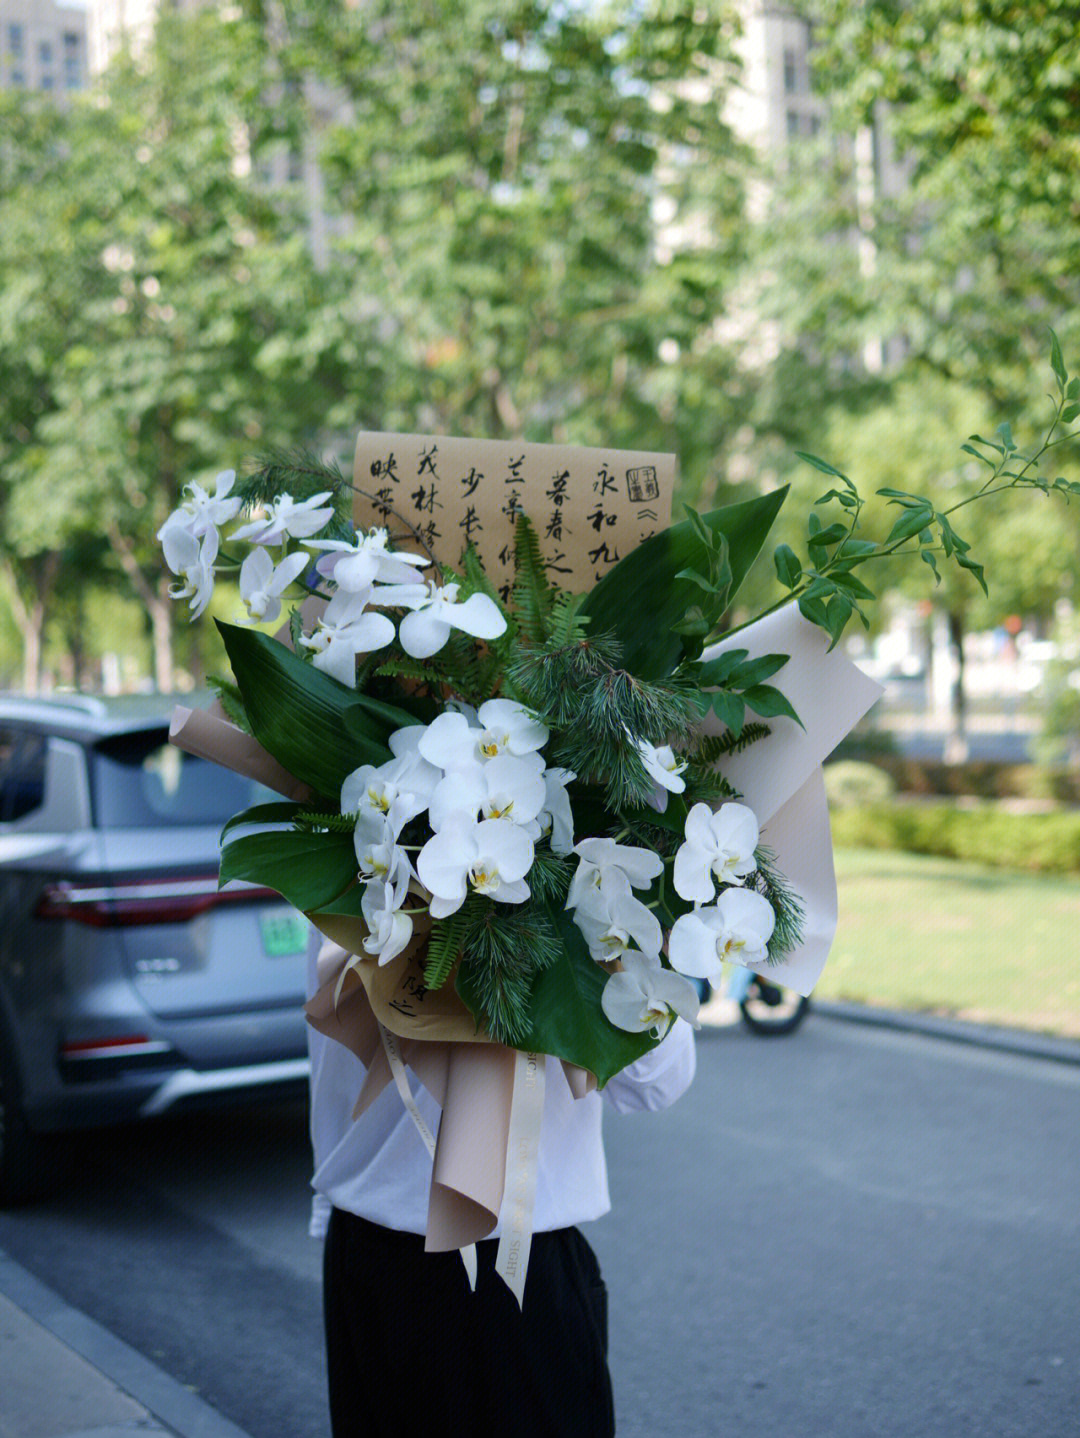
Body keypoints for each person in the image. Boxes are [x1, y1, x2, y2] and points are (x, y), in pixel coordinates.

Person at [306, 934, 696, 1438]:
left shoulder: (351, 863)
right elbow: (654, 1081)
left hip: (384, 1256)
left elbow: (331, 1047)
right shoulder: (577, 880)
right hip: (506, 1274)